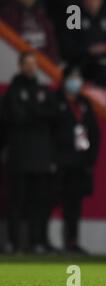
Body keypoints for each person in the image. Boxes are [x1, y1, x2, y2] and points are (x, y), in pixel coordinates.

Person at [0, 52, 58, 253]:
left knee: (40, 202)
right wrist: (38, 114)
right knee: (17, 202)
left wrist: (33, 113)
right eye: (28, 64)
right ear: (20, 66)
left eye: (34, 64)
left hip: (41, 158)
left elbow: (53, 117)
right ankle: (15, 243)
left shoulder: (44, 91)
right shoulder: (13, 92)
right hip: (19, 157)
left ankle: (37, 242)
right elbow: (15, 118)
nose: (32, 68)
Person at [54, 66, 100, 254]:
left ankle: (72, 240)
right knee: (49, 200)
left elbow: (95, 133)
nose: (76, 81)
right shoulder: (56, 101)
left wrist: (90, 159)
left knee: (75, 204)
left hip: (80, 162)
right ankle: (39, 240)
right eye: (72, 78)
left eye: (78, 78)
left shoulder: (85, 103)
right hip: (60, 160)